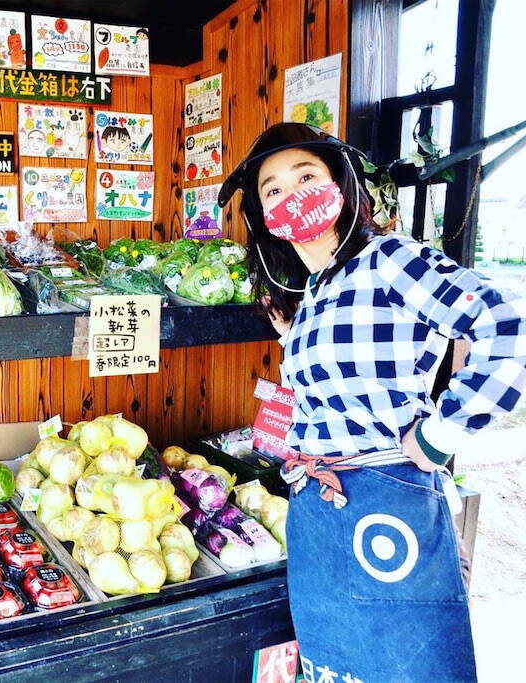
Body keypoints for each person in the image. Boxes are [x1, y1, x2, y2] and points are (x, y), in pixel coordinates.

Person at [218, 123, 526, 682]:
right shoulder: (313, 292)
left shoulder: (388, 259)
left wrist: (442, 434)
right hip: (318, 509)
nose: (292, 194)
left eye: (306, 176)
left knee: (408, 668)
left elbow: (507, 327)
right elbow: (349, 379)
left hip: (386, 498)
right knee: (336, 668)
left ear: (338, 184)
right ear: (263, 216)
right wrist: (294, 338)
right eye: (273, 190)